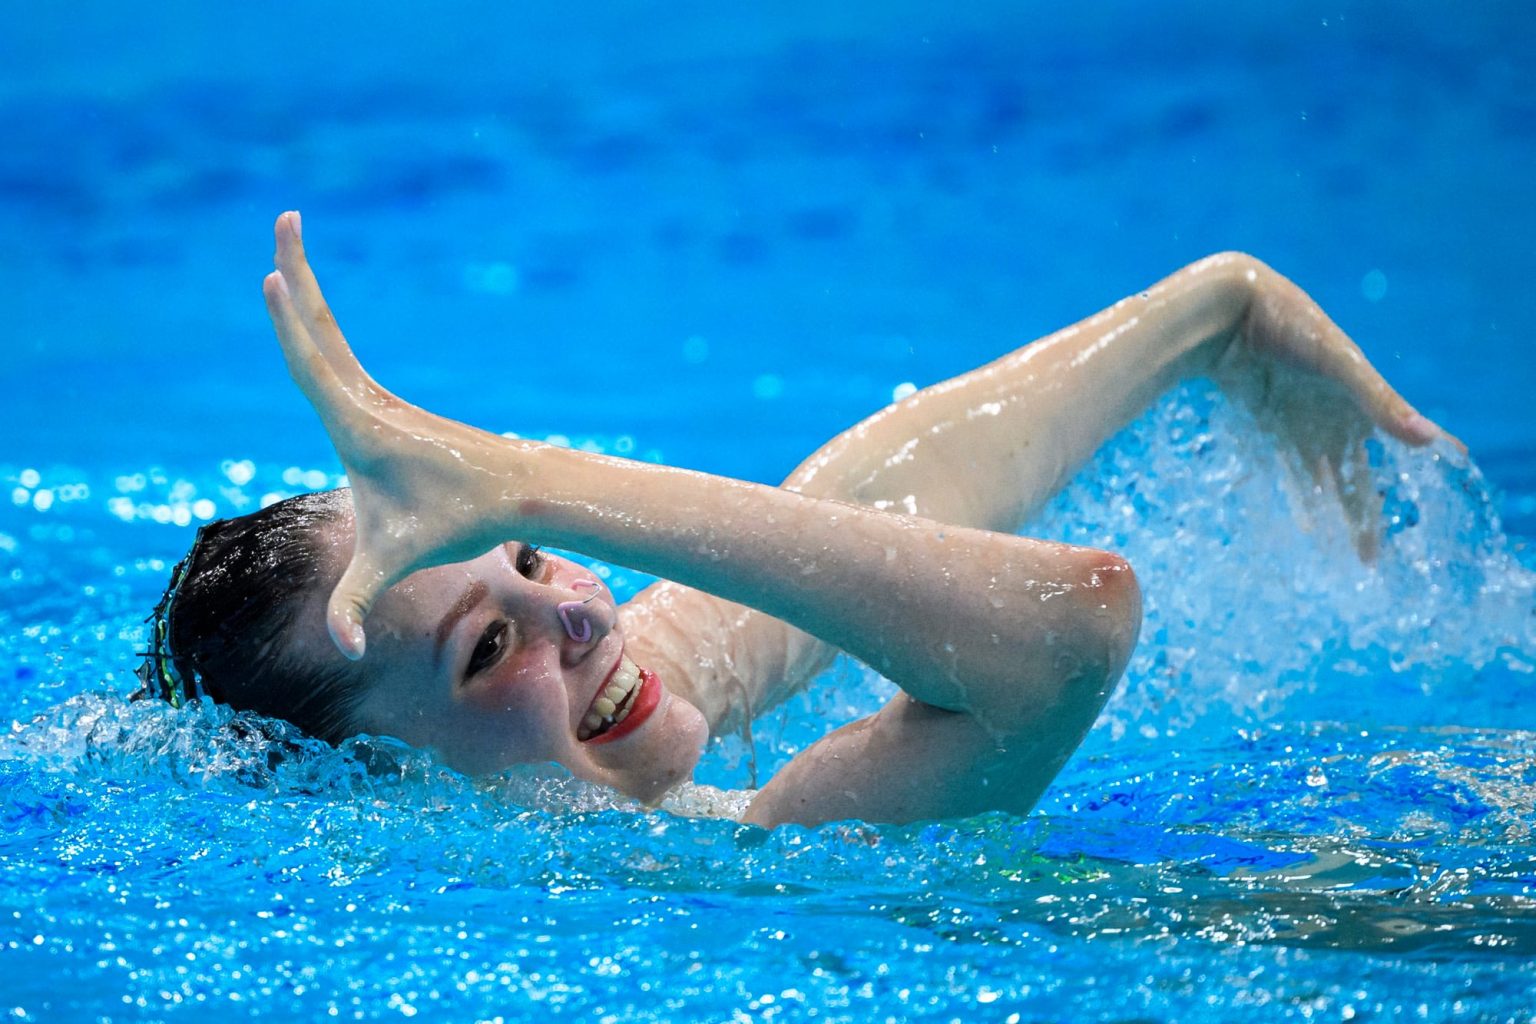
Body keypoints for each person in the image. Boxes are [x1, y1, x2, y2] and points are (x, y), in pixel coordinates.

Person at [136, 212, 1451, 828]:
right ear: (375, 784)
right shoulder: (724, 861)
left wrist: (1210, 313)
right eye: (489, 649)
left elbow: (860, 507)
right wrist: (528, 478)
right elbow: (1070, 629)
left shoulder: (597, 729)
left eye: (533, 559)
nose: (588, 610)